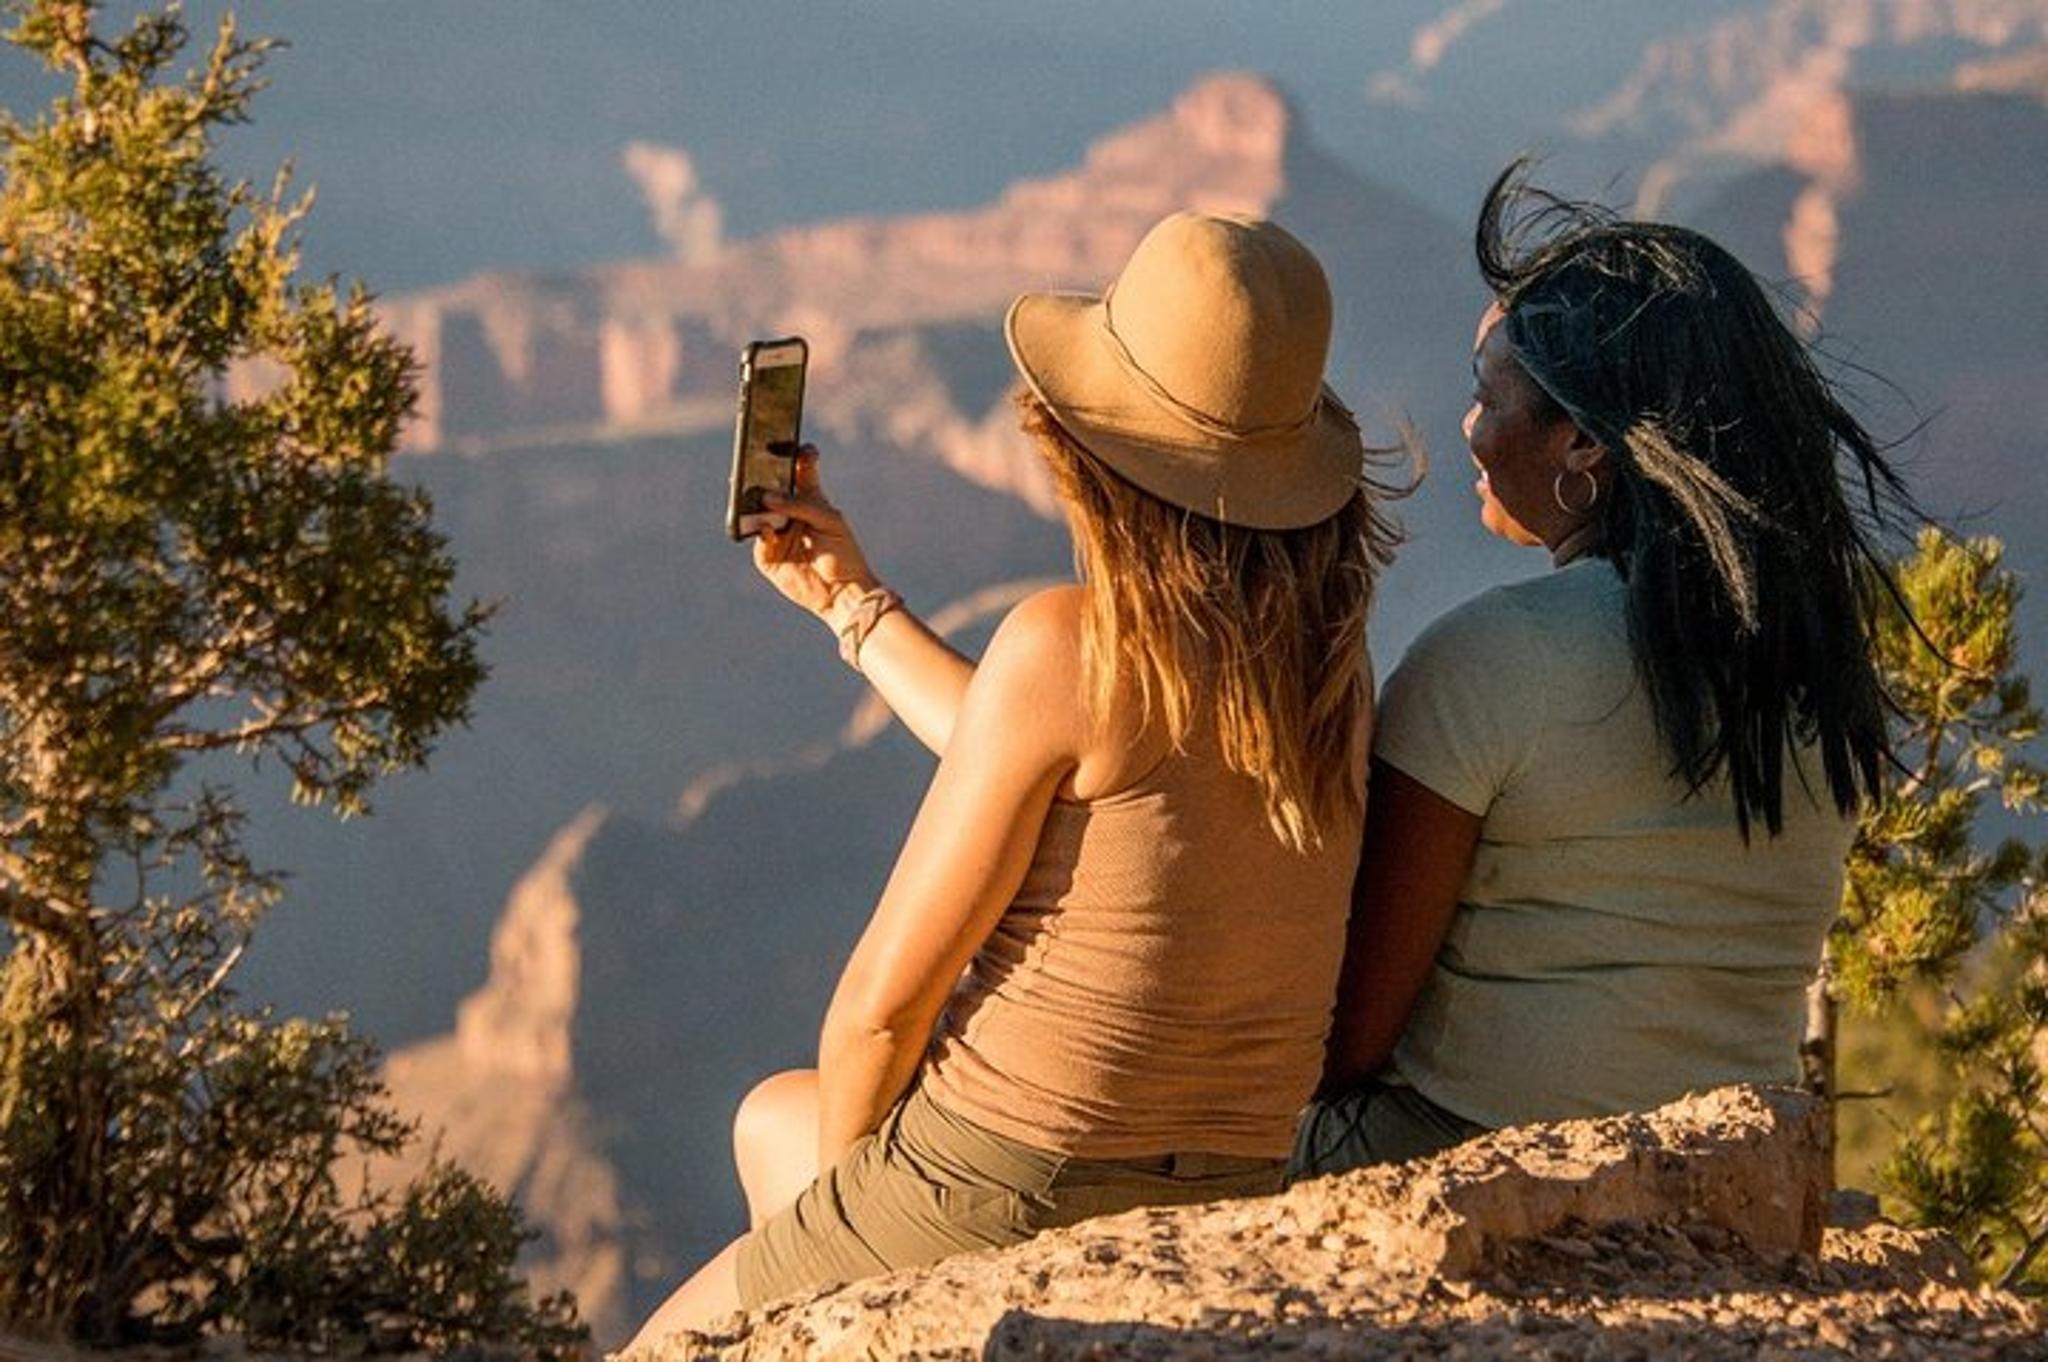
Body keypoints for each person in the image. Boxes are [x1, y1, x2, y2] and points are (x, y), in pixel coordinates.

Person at [628, 211, 1398, 1345]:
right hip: (1221, 1187)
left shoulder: (1064, 646)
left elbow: (878, 1017)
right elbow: (1064, 763)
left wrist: (850, 1273)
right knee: (766, 1123)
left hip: (1008, 1180)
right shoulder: (1326, 671)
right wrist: (851, 603)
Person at [1292, 163, 1913, 1174]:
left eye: (1485, 397)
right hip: (1731, 1177)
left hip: (1470, 1164)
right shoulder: (1811, 657)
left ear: (1581, 440)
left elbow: (1347, 1045)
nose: (1466, 429)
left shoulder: (1490, 658)